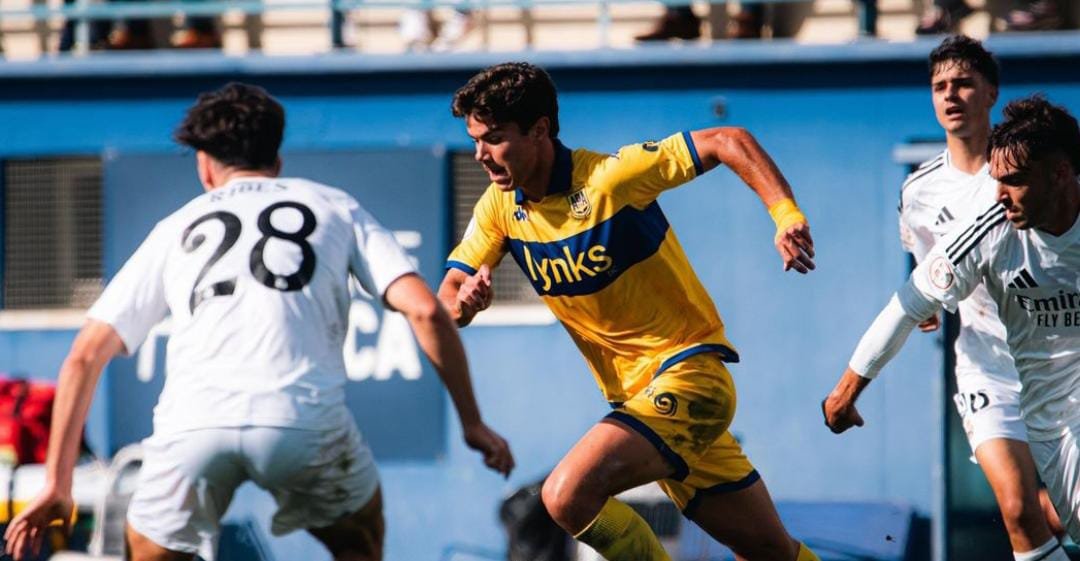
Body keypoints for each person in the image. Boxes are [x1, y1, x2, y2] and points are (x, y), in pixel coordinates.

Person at [3, 82, 514, 561]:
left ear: (205, 166)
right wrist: (472, 422)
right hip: (303, 421)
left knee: (147, 545)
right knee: (361, 537)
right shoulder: (335, 206)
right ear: (277, 158)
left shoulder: (175, 227)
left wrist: (56, 484)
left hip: (192, 427)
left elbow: (84, 355)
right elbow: (425, 309)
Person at [439, 62, 820, 561]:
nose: (480, 154)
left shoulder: (610, 178)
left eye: (493, 138)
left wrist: (786, 215)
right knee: (771, 551)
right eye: (474, 140)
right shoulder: (499, 209)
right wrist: (464, 304)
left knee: (565, 495)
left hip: (689, 380)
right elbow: (448, 294)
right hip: (640, 403)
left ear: (540, 130)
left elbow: (729, 139)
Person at [823, 94, 1080, 559]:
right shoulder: (986, 232)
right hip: (1027, 397)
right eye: (995, 180)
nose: (999, 195)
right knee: (1022, 512)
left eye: (1015, 182)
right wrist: (845, 392)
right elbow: (905, 306)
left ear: (1061, 173)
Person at [896, 35, 1064, 557]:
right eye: (939, 86)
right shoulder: (919, 191)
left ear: (991, 93)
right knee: (1017, 511)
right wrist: (927, 305)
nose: (951, 95)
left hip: (1059, 357)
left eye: (964, 83)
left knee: (1060, 513)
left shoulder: (1027, 171)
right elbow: (927, 267)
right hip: (986, 368)